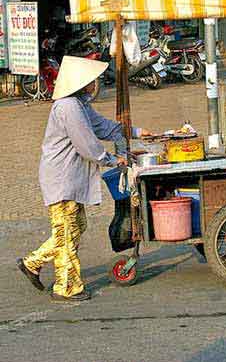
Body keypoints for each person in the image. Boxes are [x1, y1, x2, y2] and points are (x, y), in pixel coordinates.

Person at [17, 55, 150, 302]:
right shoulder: (68, 107)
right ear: (80, 82)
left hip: (70, 177)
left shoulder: (80, 105)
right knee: (67, 230)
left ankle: (32, 262)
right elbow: (87, 145)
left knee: (76, 226)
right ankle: (66, 287)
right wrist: (112, 159)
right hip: (62, 178)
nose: (95, 82)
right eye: (92, 79)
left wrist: (137, 132)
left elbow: (104, 127)